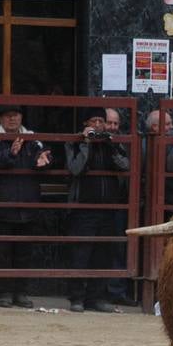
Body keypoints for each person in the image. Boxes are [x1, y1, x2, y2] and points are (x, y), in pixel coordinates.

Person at [0, 104, 52, 309]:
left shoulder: (33, 137)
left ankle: (21, 293)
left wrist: (45, 161)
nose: (12, 119)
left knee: (24, 252)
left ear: (22, 117)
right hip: (2, 204)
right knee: (2, 253)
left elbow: (46, 156)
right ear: (1, 118)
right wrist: (11, 154)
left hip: (28, 203)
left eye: (16, 115)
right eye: (8, 116)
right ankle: (4, 293)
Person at [65, 110, 130, 313]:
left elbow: (125, 165)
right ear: (86, 122)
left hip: (108, 209)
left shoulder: (112, 143)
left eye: (101, 121)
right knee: (81, 254)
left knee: (103, 254)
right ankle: (77, 298)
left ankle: (96, 298)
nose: (98, 125)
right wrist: (86, 143)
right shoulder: (75, 142)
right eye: (94, 120)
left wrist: (110, 146)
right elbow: (75, 168)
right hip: (84, 209)